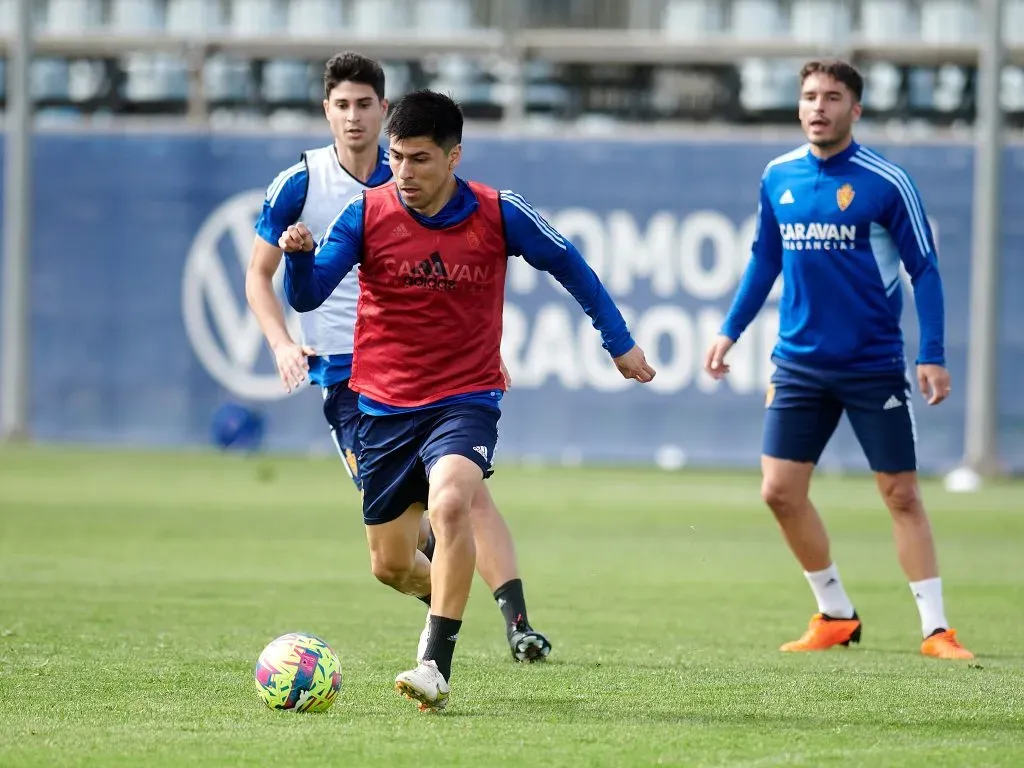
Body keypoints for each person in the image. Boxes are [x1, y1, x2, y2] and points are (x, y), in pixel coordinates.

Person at [279, 89, 656, 711]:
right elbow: (309, 296)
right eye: (396, 157)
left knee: (453, 503)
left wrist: (618, 343)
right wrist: (298, 261)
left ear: (455, 156)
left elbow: (572, 266)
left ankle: (434, 663)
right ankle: (449, 598)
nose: (404, 172)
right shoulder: (366, 214)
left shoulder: (499, 212)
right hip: (381, 408)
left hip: (465, 398)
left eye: (420, 159)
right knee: (390, 565)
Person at [245, 53, 552, 668]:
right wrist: (282, 342)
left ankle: (514, 623)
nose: (353, 117)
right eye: (341, 105)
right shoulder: (302, 184)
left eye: (364, 105)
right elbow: (262, 275)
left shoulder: (423, 182)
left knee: (462, 495)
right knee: (397, 546)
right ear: (326, 110)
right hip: (346, 374)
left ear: (383, 111)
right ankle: (445, 601)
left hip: (435, 369)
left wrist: (478, 360)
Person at [704, 59, 973, 661]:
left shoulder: (886, 182)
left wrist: (931, 353)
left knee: (900, 493)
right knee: (778, 492)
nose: (818, 107)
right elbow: (764, 260)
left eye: (832, 97)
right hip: (797, 363)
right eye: (808, 97)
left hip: (871, 364)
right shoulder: (778, 176)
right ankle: (835, 614)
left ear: (856, 109)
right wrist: (730, 330)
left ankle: (936, 630)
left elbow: (924, 270)